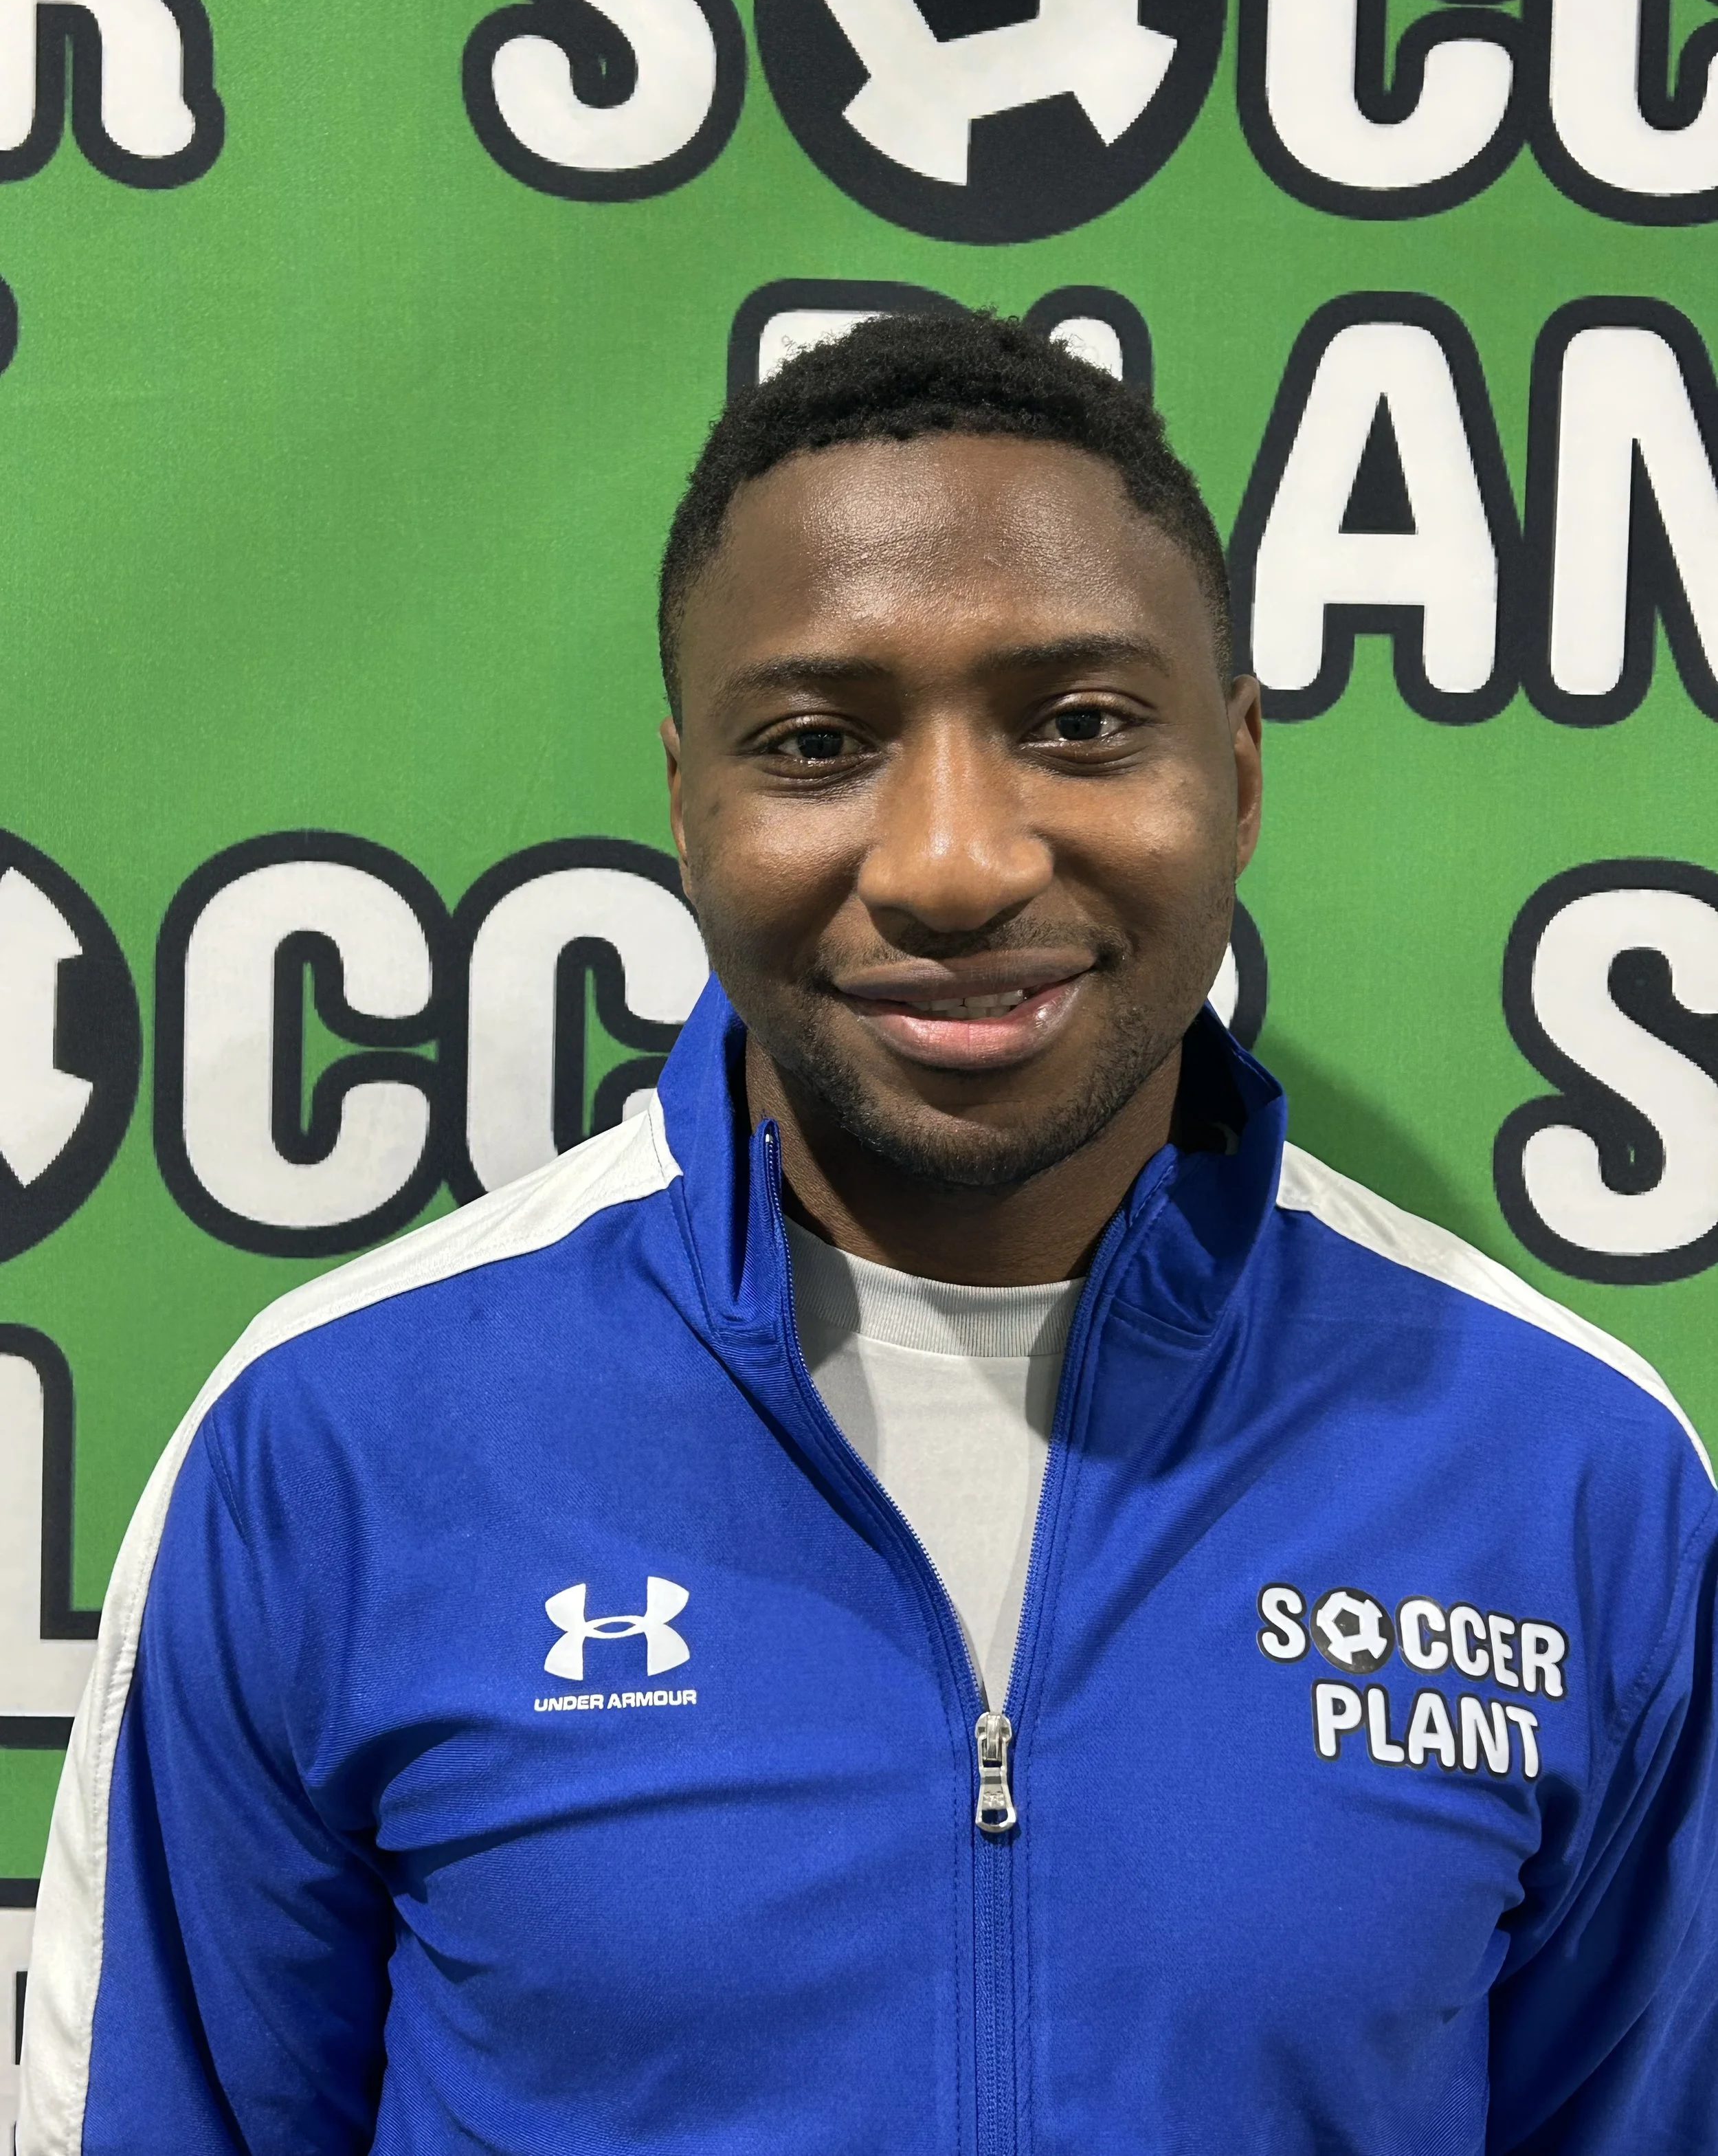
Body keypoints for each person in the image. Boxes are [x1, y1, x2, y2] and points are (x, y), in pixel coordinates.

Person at [20, 314, 1717, 2155]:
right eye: (819, 743)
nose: (949, 863)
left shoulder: (1568, 1470)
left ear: (1233, 767)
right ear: (686, 803)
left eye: (1077, 724)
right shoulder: (339, 1433)